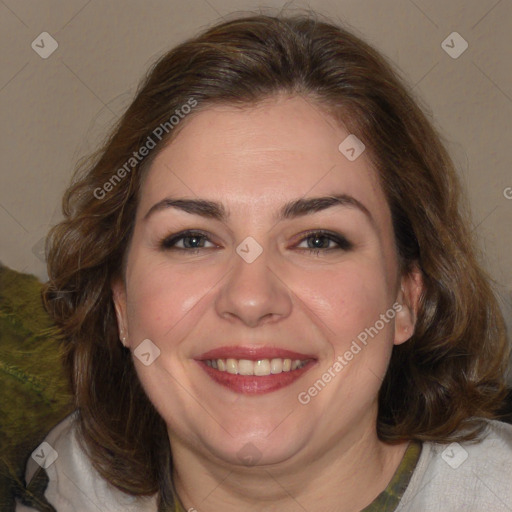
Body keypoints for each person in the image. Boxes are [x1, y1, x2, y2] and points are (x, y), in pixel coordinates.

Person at [16, 12, 512, 512]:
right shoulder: (56, 484)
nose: (251, 298)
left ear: (406, 297)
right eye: (191, 240)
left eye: (319, 240)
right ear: (121, 302)